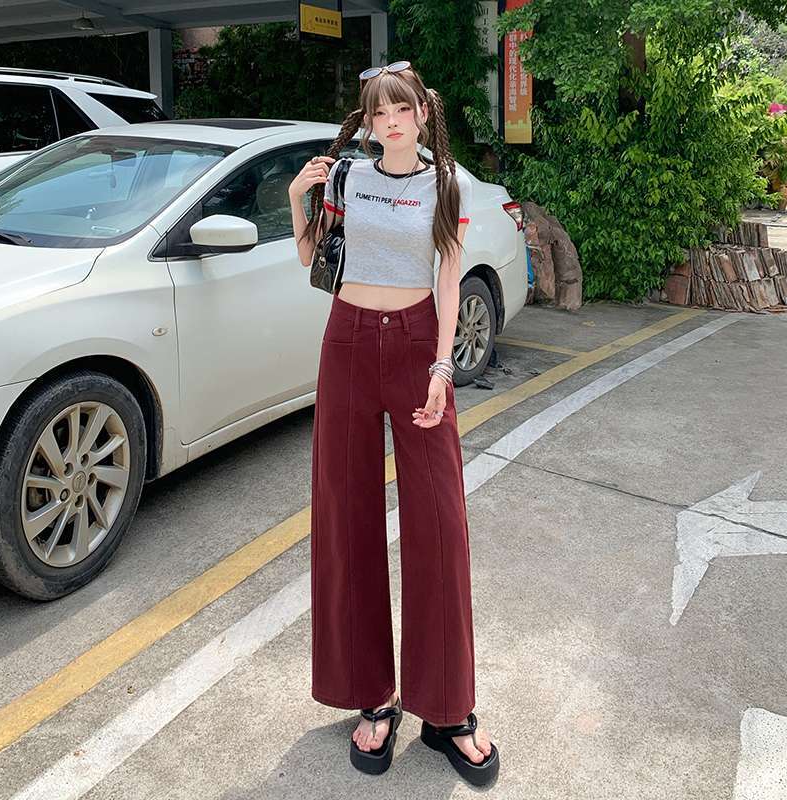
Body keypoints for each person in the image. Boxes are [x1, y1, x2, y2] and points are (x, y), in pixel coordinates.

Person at [288, 60, 499, 786]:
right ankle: (371, 697)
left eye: (401, 109)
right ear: (368, 121)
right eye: (378, 112)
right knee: (345, 514)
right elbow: (316, 261)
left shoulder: (446, 182)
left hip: (416, 347)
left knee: (440, 520)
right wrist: (296, 201)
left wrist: (442, 367)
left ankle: (447, 709)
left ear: (421, 112)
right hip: (347, 341)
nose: (390, 122)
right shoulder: (347, 177)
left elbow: (449, 276)